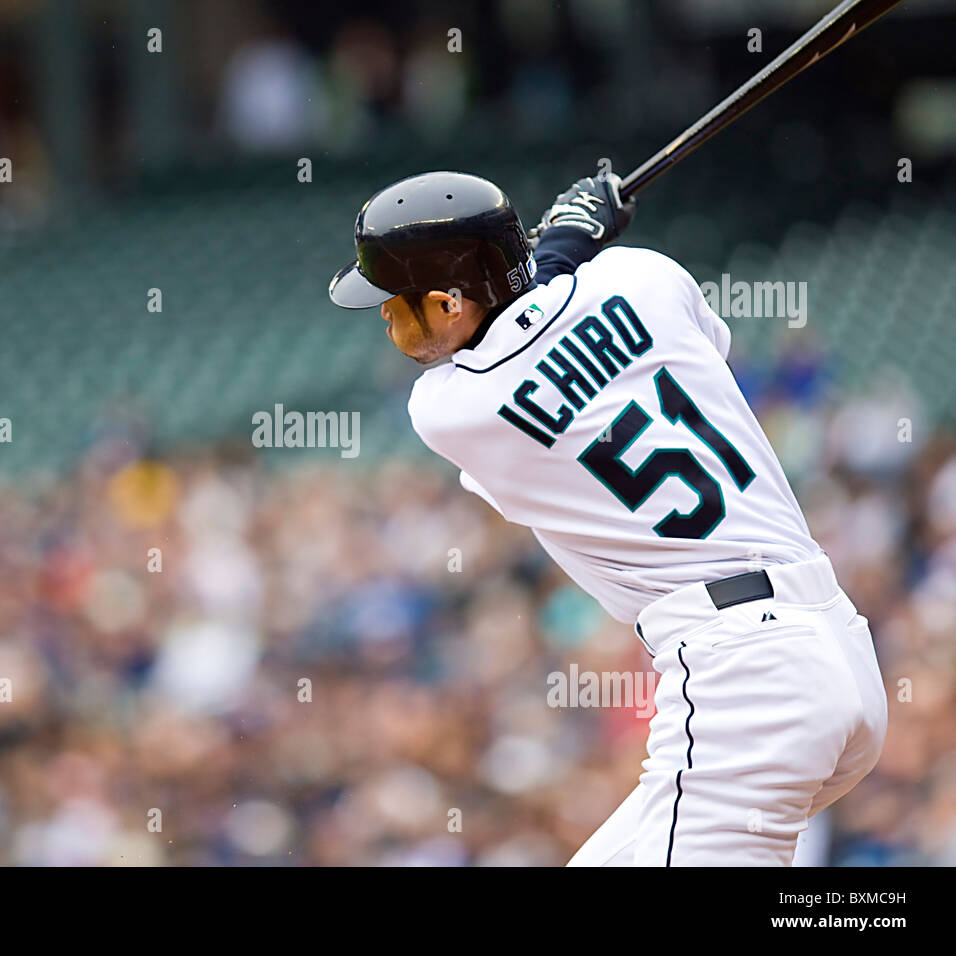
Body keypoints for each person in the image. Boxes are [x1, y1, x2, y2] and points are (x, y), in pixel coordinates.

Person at [327, 170, 887, 866]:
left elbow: (529, 337)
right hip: (832, 637)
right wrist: (565, 245)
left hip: (743, 675)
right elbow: (683, 351)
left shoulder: (451, 408)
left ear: (447, 305)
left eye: (396, 302)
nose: (384, 317)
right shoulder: (642, 275)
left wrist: (565, 238)